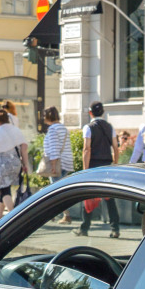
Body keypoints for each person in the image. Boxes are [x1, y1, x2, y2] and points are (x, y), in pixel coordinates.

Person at [80, 101, 119, 237]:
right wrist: (115, 163)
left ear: (90, 113)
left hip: (93, 165)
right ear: (103, 112)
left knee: (89, 195)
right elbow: (115, 147)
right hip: (107, 164)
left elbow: (86, 149)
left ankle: (84, 228)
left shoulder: (88, 127)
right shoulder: (109, 127)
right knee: (109, 197)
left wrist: (85, 169)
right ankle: (115, 228)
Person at [41, 106, 72, 183]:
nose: (43, 117)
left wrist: (53, 165)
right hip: (66, 163)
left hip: (58, 164)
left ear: (48, 116)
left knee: (56, 189)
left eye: (44, 115)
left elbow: (54, 148)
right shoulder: (63, 128)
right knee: (62, 187)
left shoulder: (53, 129)